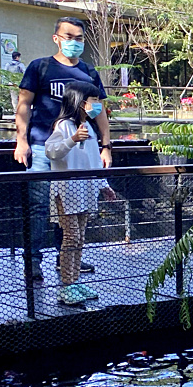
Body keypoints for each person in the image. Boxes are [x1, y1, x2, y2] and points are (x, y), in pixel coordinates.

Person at [15, 18, 111, 280]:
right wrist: (21, 140)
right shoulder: (40, 67)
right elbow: (24, 105)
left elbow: (100, 110)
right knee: (38, 206)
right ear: (56, 38)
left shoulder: (88, 72)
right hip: (42, 145)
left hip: (76, 154)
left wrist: (105, 145)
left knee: (72, 208)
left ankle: (65, 259)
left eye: (79, 38)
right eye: (69, 36)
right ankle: (33, 261)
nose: (74, 42)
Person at [45, 81, 115, 305]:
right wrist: (72, 140)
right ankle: (66, 285)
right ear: (79, 102)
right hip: (66, 192)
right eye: (93, 100)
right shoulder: (64, 125)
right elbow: (51, 151)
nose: (97, 105)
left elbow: (93, 160)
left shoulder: (91, 129)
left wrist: (103, 184)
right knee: (71, 237)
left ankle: (75, 281)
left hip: (85, 190)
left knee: (80, 238)